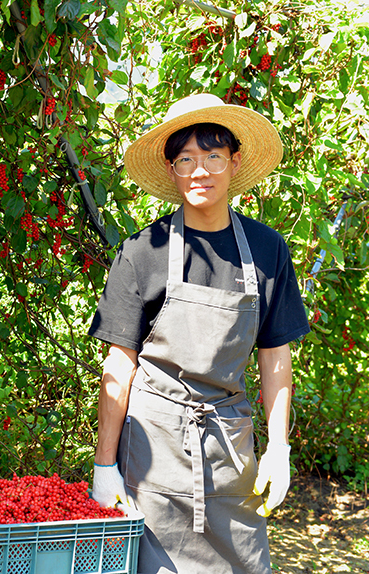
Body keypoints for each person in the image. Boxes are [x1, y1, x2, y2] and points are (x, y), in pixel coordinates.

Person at [88, 93, 310, 573]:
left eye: (212, 156)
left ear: (234, 162)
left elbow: (275, 358)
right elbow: (119, 365)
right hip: (153, 456)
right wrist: (105, 467)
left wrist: (277, 449)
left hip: (231, 455)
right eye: (186, 158)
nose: (200, 170)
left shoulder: (267, 250)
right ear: (171, 170)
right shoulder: (142, 251)